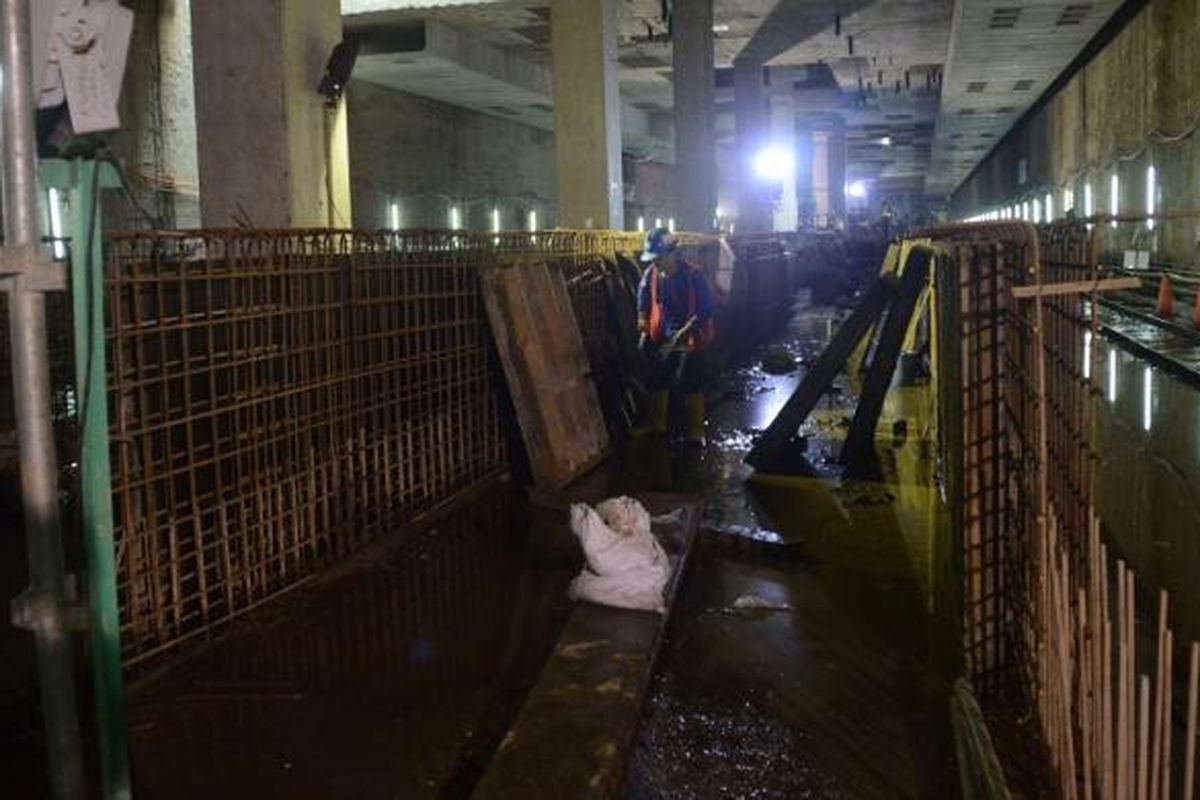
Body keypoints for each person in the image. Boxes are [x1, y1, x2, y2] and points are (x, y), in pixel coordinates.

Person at [635, 227, 716, 444]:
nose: (656, 263)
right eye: (653, 259)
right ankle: (657, 424)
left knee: (692, 381)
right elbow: (642, 297)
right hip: (663, 337)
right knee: (657, 379)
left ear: (672, 254)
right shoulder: (651, 274)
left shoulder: (693, 276)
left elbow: (707, 306)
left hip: (690, 338)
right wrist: (642, 320)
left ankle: (696, 431)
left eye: (659, 258)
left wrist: (689, 328)